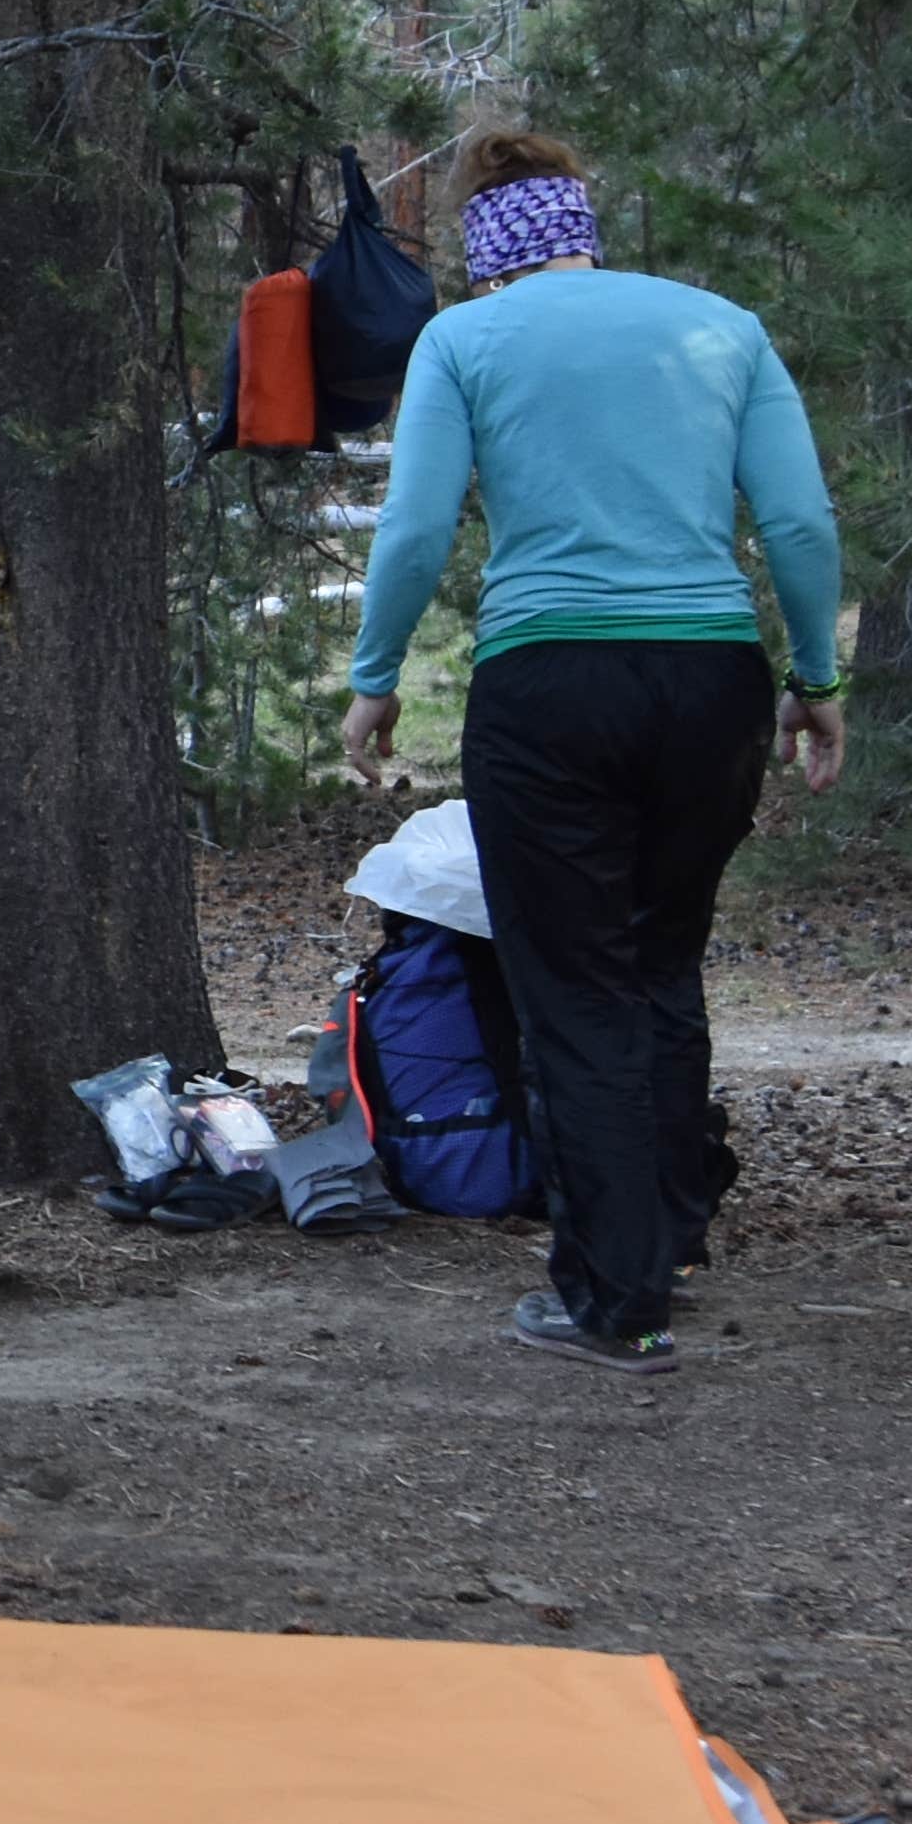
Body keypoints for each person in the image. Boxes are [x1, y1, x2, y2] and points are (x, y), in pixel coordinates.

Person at [337, 133, 847, 1372]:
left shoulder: (466, 340)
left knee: (573, 993)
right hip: (713, 681)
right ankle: (663, 1233)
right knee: (661, 968)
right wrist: (817, 677)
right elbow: (793, 518)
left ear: (485, 251)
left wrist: (374, 676)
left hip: (549, 682)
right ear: (582, 225)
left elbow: (411, 529)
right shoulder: (723, 327)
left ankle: (617, 1300)